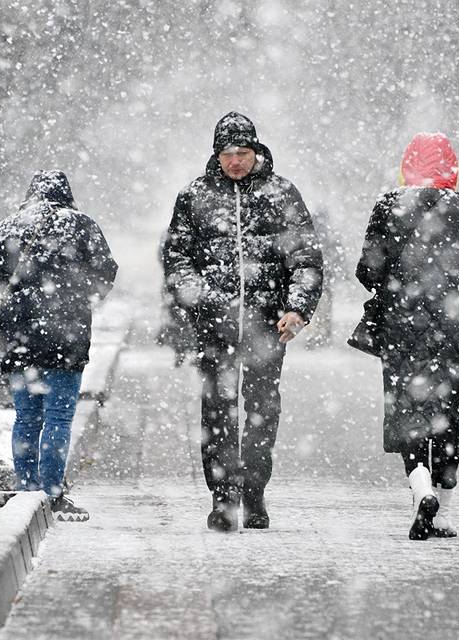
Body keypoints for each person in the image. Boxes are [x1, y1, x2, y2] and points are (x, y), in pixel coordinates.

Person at [161, 111, 324, 532]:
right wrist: (197, 296)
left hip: (268, 328)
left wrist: (298, 309)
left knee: (261, 412)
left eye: (243, 152)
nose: (235, 161)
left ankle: (253, 491)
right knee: (217, 411)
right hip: (213, 327)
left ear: (257, 151)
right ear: (216, 155)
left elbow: (305, 259)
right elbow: (177, 258)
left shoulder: (282, 195)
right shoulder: (194, 196)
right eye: (228, 153)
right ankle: (222, 497)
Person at [353, 133, 459, 540]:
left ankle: (420, 485)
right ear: (452, 168)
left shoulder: (390, 206)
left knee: (409, 413)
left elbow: (367, 271)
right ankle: (444, 512)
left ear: (408, 166)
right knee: (448, 416)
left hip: (404, 329)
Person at [0, 170, 117, 522]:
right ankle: (53, 492)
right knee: (58, 416)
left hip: (19, 342)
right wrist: (80, 300)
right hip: (66, 339)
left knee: (26, 417)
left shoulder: (10, 226)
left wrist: (18, 306)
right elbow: (106, 272)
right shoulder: (82, 225)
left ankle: (27, 490)